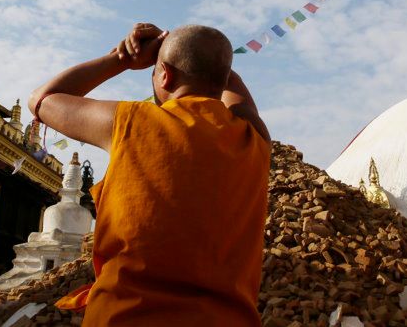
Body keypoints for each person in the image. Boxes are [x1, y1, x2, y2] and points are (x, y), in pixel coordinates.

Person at [28, 22, 271, 327]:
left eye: (156, 71)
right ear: (222, 80)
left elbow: (42, 99)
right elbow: (234, 93)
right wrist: (204, 61)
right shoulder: (253, 139)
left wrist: (121, 59)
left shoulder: (128, 122)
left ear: (165, 75)